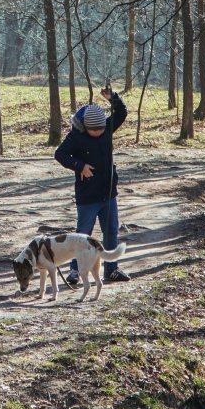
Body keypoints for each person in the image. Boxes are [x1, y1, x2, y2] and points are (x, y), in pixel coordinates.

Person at [52, 87, 130, 286]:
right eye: (94, 130)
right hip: (87, 196)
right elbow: (60, 154)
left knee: (111, 231)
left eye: (101, 129)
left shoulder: (107, 128)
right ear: (86, 127)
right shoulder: (76, 137)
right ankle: (75, 272)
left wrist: (113, 98)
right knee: (82, 235)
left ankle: (111, 270)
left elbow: (121, 113)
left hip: (109, 192)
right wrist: (80, 166)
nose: (98, 133)